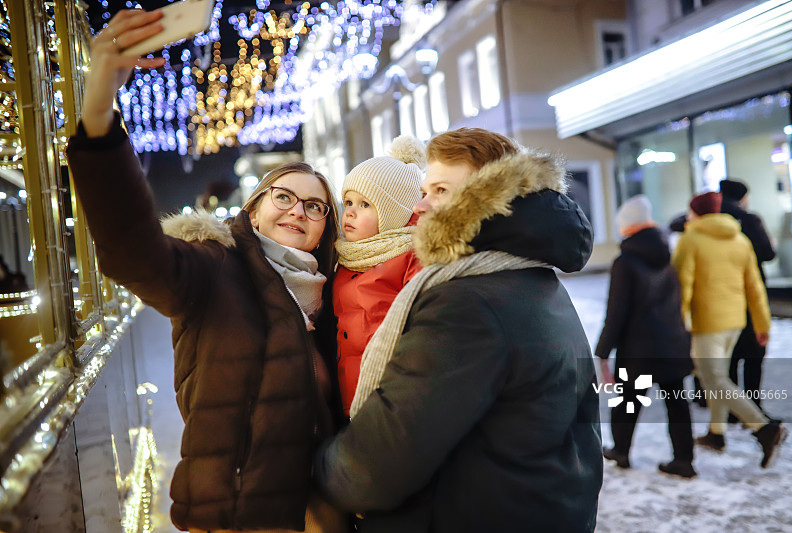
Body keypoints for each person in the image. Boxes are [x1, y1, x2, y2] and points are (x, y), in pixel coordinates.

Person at [65, 9, 348, 532]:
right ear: (254, 208)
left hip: (314, 513)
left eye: (314, 207)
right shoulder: (215, 269)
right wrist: (100, 103)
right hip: (236, 518)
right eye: (283, 196)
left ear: (324, 228)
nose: (297, 212)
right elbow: (132, 251)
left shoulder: (326, 298)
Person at [314, 128, 602, 532]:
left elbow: (381, 459)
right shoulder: (528, 276)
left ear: (490, 196)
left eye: (442, 191)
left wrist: (317, 471)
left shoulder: (467, 301)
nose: (422, 204)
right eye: (425, 189)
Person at [672, 191, 786, 468]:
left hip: (706, 323)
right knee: (717, 376)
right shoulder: (740, 238)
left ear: (696, 213)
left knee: (714, 380)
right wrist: (761, 324)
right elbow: (755, 286)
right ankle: (716, 433)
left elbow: (681, 288)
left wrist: (678, 325)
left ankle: (764, 427)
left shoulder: (691, 239)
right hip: (735, 321)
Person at [595, 195, 696, 478]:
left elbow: (616, 313)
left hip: (638, 348)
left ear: (626, 225)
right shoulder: (668, 254)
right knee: (677, 403)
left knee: (627, 402)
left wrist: (602, 351)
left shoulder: (625, 261)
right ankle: (684, 460)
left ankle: (621, 451)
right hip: (673, 341)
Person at [334, 135, 425, 416]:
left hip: (395, 395)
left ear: (393, 214)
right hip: (350, 395)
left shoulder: (411, 254)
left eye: (365, 205)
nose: (350, 212)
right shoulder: (347, 256)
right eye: (348, 202)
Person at [719, 179, 776, 414]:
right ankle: (753, 405)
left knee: (730, 354)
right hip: (749, 295)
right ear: (742, 197)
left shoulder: (709, 220)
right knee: (753, 354)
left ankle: (734, 410)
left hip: (722, 296)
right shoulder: (750, 220)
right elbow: (768, 253)